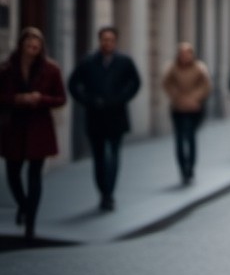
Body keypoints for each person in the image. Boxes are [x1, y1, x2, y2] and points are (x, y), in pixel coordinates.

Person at [0, 27, 66, 242]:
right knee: (12, 173)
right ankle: (23, 204)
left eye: (36, 46)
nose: (33, 49)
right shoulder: (7, 68)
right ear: (22, 45)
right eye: (29, 45)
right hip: (14, 127)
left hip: (39, 127)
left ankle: (31, 224)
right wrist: (17, 99)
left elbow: (61, 99)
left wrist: (41, 99)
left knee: (35, 176)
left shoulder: (51, 69)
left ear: (41, 48)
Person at [68, 26, 142, 212]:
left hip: (116, 115)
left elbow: (135, 83)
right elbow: (73, 84)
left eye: (110, 40)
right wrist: (87, 100)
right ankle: (103, 192)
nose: (107, 43)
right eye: (104, 39)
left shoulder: (124, 61)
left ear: (115, 42)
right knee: (99, 157)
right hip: (96, 115)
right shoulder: (88, 61)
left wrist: (121, 98)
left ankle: (109, 193)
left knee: (114, 155)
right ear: (99, 41)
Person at [160, 42, 211, 184]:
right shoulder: (172, 68)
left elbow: (206, 86)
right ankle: (182, 168)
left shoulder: (199, 68)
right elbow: (166, 83)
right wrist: (177, 96)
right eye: (182, 53)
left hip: (194, 108)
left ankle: (191, 167)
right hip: (178, 108)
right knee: (179, 139)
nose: (184, 56)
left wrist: (194, 98)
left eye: (187, 53)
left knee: (191, 137)